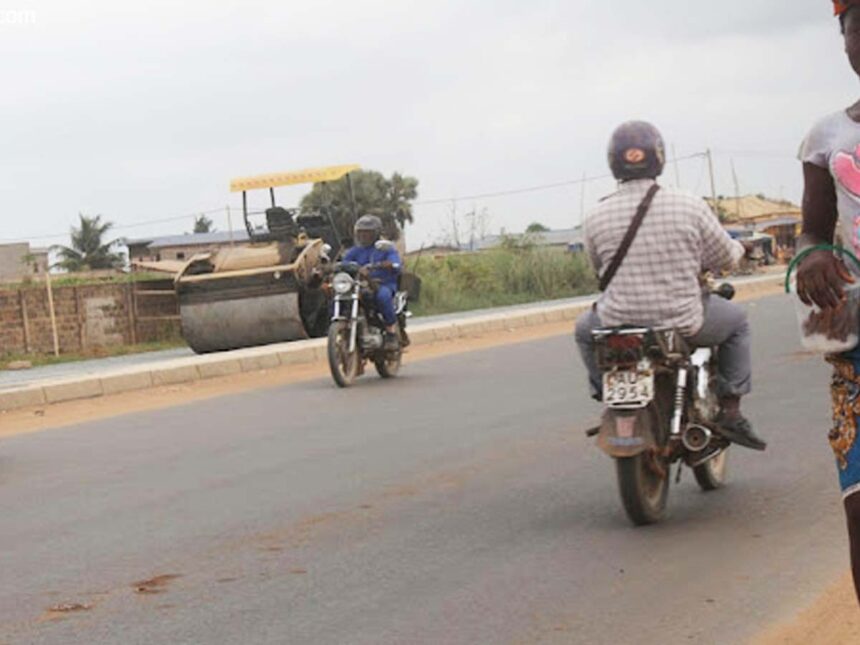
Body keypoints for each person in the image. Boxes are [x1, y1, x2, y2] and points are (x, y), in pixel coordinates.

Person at [575, 120, 766, 451]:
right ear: (658, 157)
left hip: (616, 323)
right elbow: (724, 255)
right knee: (737, 322)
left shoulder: (595, 215)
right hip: (682, 322)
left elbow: (598, 269)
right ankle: (732, 411)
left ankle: (606, 392)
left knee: (582, 329)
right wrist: (741, 250)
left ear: (613, 162)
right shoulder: (688, 204)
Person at [796, 0, 860, 603]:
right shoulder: (827, 136)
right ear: (844, 40)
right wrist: (812, 255)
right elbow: (813, 229)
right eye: (857, 23)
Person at [343, 214, 402, 349]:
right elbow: (344, 262)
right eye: (361, 232)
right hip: (360, 284)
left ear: (375, 233)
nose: (363, 236)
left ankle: (391, 332)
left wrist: (387, 264)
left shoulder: (386, 248)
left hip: (383, 283)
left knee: (383, 297)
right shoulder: (355, 251)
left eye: (367, 233)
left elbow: (396, 264)